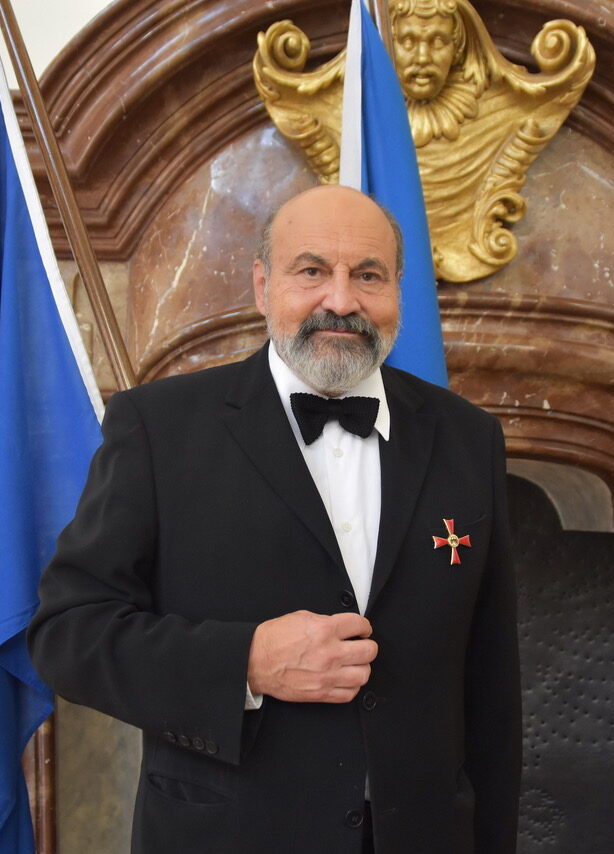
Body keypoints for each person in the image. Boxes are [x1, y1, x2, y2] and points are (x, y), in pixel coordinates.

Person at [28, 184, 521, 853]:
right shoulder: (158, 428)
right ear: (263, 286)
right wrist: (247, 663)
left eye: (368, 276)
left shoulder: (469, 437)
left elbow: (492, 687)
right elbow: (68, 635)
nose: (341, 301)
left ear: (400, 289)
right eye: (312, 270)